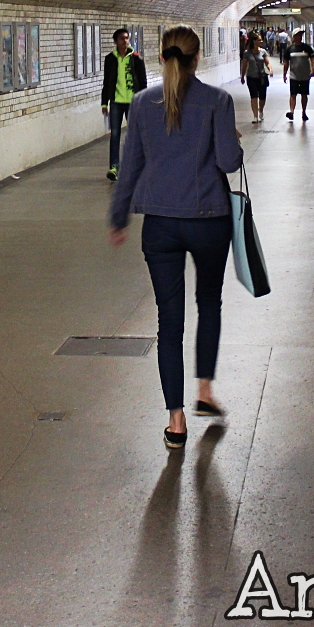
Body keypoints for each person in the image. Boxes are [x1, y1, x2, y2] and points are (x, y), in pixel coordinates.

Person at [108, 26, 243, 450]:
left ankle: (176, 420)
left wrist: (118, 217)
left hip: (160, 225)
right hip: (209, 221)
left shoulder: (143, 103)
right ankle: (204, 391)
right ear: (197, 57)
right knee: (209, 303)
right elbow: (229, 162)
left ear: (161, 58)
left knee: (169, 320)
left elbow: (130, 166)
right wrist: (232, 140)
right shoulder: (217, 101)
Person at [102, 27, 147, 181]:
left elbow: (143, 82)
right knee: (115, 135)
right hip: (116, 102)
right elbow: (106, 82)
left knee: (134, 135)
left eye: (127, 38)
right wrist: (104, 103)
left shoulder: (136, 59)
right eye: (122, 38)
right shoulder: (110, 59)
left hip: (133, 102)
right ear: (115, 42)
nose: (125, 41)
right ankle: (114, 167)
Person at [284, 31, 314, 122]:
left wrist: (312, 70)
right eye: (298, 35)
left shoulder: (307, 47)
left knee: (304, 95)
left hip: (305, 75)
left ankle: (304, 112)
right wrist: (284, 73)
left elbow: (313, 59)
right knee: (293, 94)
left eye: (301, 35)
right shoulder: (290, 49)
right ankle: (292, 112)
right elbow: (286, 62)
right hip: (293, 75)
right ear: (294, 36)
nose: (300, 36)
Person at [242, 33, 271, 122]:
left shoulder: (263, 52)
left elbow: (267, 62)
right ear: (254, 41)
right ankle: (255, 116)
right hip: (251, 77)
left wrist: (270, 69)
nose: (261, 41)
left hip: (261, 78)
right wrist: (242, 76)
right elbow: (244, 65)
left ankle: (260, 110)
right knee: (253, 96)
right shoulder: (247, 53)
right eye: (259, 40)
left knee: (262, 97)